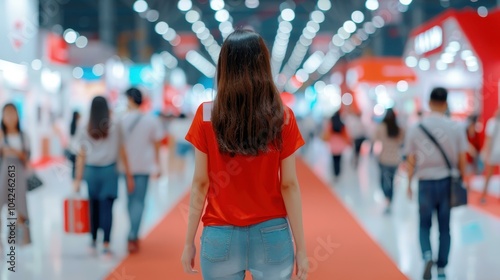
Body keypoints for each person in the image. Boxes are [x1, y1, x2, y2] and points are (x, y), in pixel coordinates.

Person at [181, 29, 309, 280]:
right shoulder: (282, 117)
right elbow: (289, 184)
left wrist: (188, 242)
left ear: (225, 67)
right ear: (263, 64)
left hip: (220, 234)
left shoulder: (207, 114)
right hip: (272, 235)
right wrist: (302, 249)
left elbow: (200, 183)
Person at [405, 87, 467, 280]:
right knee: (444, 227)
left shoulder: (417, 128)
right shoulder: (455, 127)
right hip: (447, 183)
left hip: (425, 183)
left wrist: (408, 183)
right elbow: (461, 157)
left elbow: (411, 159)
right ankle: (441, 268)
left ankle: (427, 255)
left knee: (424, 225)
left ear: (429, 103)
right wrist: (462, 179)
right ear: (446, 103)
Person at [73, 96, 134, 257]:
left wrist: (78, 179)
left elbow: (81, 154)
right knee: (107, 208)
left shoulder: (83, 125)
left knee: (93, 206)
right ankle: (106, 244)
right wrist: (129, 175)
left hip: (91, 171)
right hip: (109, 171)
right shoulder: (115, 124)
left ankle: (93, 241)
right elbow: (122, 151)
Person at [120, 87, 163, 253]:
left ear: (130, 99)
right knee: (139, 202)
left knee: (130, 201)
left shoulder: (123, 121)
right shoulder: (150, 120)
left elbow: (121, 147)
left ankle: (132, 233)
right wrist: (158, 165)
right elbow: (157, 143)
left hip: (127, 168)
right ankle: (133, 235)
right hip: (144, 167)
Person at [0, 103, 31, 243]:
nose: (10, 117)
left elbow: (27, 157)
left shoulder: (24, 136)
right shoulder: (1, 135)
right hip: (3, 174)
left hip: (18, 174)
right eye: (7, 114)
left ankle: (18, 240)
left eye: (13, 113)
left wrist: (13, 151)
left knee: (20, 206)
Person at [374, 108, 405, 214]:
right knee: (390, 181)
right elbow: (403, 141)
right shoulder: (399, 129)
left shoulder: (381, 127)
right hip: (395, 159)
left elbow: (374, 139)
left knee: (383, 181)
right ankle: (389, 200)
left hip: (384, 158)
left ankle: (387, 199)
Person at [322, 111, 350, 181]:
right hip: (340, 143)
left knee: (334, 160)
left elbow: (327, 132)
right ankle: (338, 172)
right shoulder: (342, 124)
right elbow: (345, 134)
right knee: (339, 159)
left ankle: (335, 173)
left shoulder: (331, 124)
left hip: (333, 143)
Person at [480, 109, 500, 203]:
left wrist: (486, 152)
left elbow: (488, 139)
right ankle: (484, 195)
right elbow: (489, 139)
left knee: (488, 175)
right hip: (493, 152)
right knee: (488, 175)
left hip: (493, 152)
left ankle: (484, 195)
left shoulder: (492, 122)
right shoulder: (492, 122)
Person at [65, 111, 80, 179]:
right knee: (77, 163)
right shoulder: (79, 124)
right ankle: (76, 176)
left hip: (72, 146)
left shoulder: (71, 124)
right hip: (77, 147)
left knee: (74, 164)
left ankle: (73, 176)